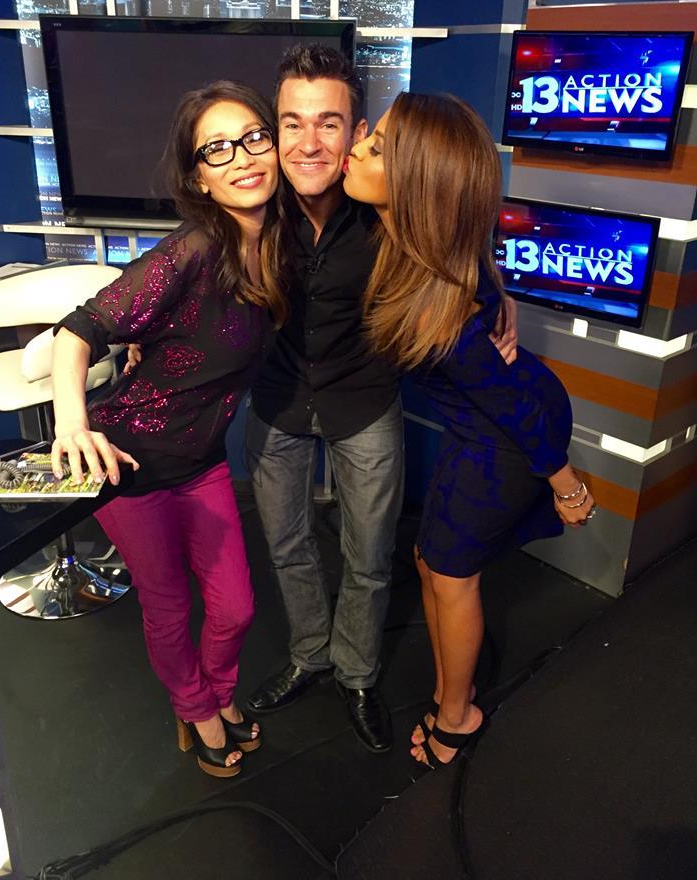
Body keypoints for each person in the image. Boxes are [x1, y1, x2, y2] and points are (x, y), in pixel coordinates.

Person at [244, 45, 517, 755]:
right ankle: (310, 655)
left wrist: (495, 291)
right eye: (293, 123)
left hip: (363, 402)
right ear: (275, 128)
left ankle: (358, 674)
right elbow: (191, 267)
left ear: (357, 131)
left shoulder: (382, 204)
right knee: (287, 545)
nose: (309, 143)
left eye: (329, 123)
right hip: (276, 400)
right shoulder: (252, 202)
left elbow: (450, 230)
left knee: (368, 555)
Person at [342, 91, 595, 767]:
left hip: (509, 440)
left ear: (415, 185)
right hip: (479, 426)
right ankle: (448, 689)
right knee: (429, 560)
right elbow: (473, 259)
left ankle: (458, 715)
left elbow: (515, 408)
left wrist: (567, 485)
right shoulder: (417, 246)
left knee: (452, 573)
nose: (356, 149)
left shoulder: (444, 311)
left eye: (376, 147)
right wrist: (501, 294)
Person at [50, 81, 287, 778]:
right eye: (218, 148)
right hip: (129, 464)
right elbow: (79, 329)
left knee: (236, 608)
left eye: (254, 137)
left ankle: (214, 691)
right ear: (199, 178)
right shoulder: (191, 252)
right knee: (168, 604)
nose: (243, 156)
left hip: (202, 461)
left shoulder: (281, 246)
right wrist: (72, 423)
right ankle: (198, 708)